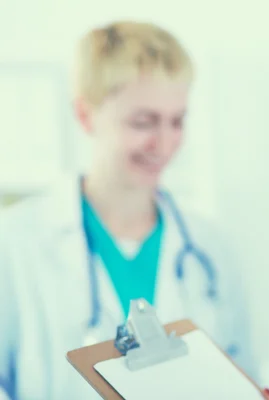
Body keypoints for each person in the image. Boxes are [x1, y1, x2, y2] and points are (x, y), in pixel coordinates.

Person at [0, 21, 254, 400]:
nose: (165, 143)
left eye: (177, 121)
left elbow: (244, 381)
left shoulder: (210, 246)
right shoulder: (16, 242)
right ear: (85, 115)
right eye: (143, 122)